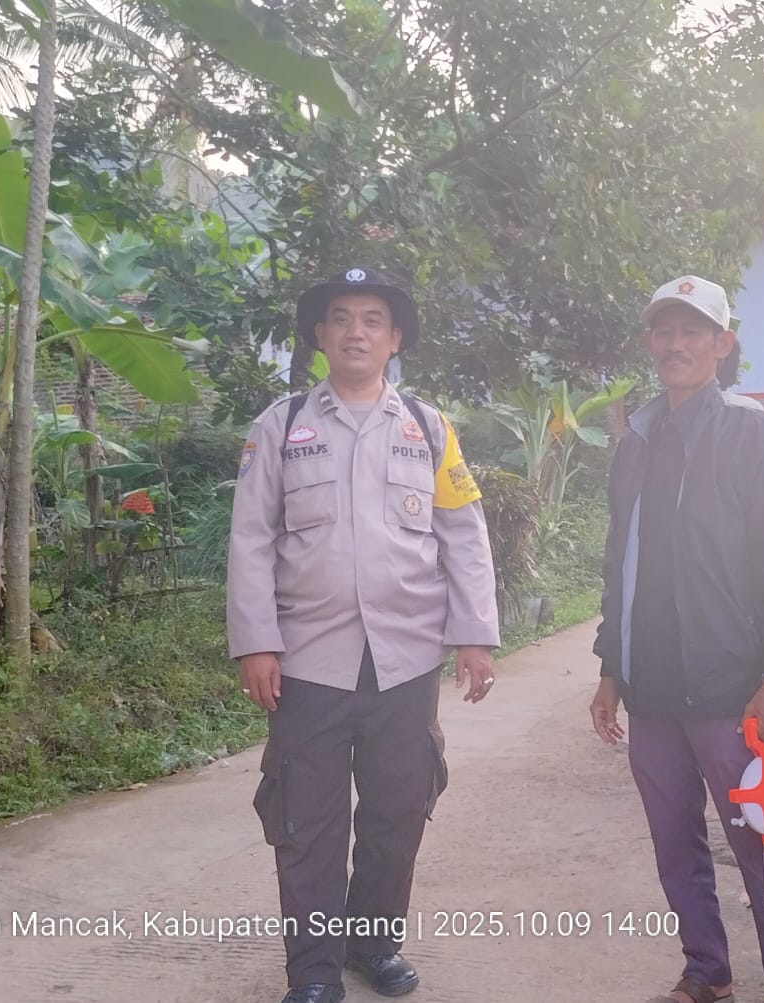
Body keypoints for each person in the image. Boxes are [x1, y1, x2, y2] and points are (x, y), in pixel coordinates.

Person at [226, 267, 501, 1003]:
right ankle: (314, 972)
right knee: (306, 821)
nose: (356, 331)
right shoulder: (281, 426)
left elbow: (463, 533)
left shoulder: (428, 428)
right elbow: (250, 539)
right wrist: (256, 641)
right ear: (320, 335)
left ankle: (372, 944)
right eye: (341, 318)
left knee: (396, 812)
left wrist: (474, 634)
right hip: (308, 663)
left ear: (394, 338)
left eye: (372, 319)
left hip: (405, 661)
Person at [588, 275, 764, 1003]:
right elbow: (618, 562)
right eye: (664, 331)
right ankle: (706, 971)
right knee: (674, 842)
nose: (676, 344)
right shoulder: (635, 442)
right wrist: (610, 667)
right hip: (651, 685)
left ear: (722, 345)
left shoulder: (753, 434)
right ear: (649, 342)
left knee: (760, 835)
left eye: (692, 331)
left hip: (729, 683)